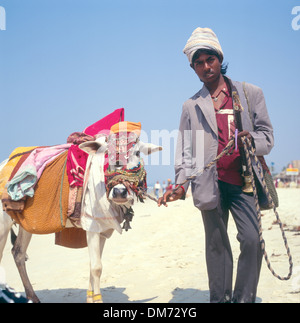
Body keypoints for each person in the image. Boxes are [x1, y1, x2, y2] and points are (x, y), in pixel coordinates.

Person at [158, 27, 274, 303]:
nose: (205, 67)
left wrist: (251, 140)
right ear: (193, 68)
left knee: (252, 241)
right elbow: (185, 151)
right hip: (208, 185)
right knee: (216, 246)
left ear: (220, 58)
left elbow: (267, 138)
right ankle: (219, 300)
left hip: (244, 182)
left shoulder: (249, 94)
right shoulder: (191, 106)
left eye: (210, 59)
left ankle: (244, 298)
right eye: (198, 63)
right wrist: (180, 185)